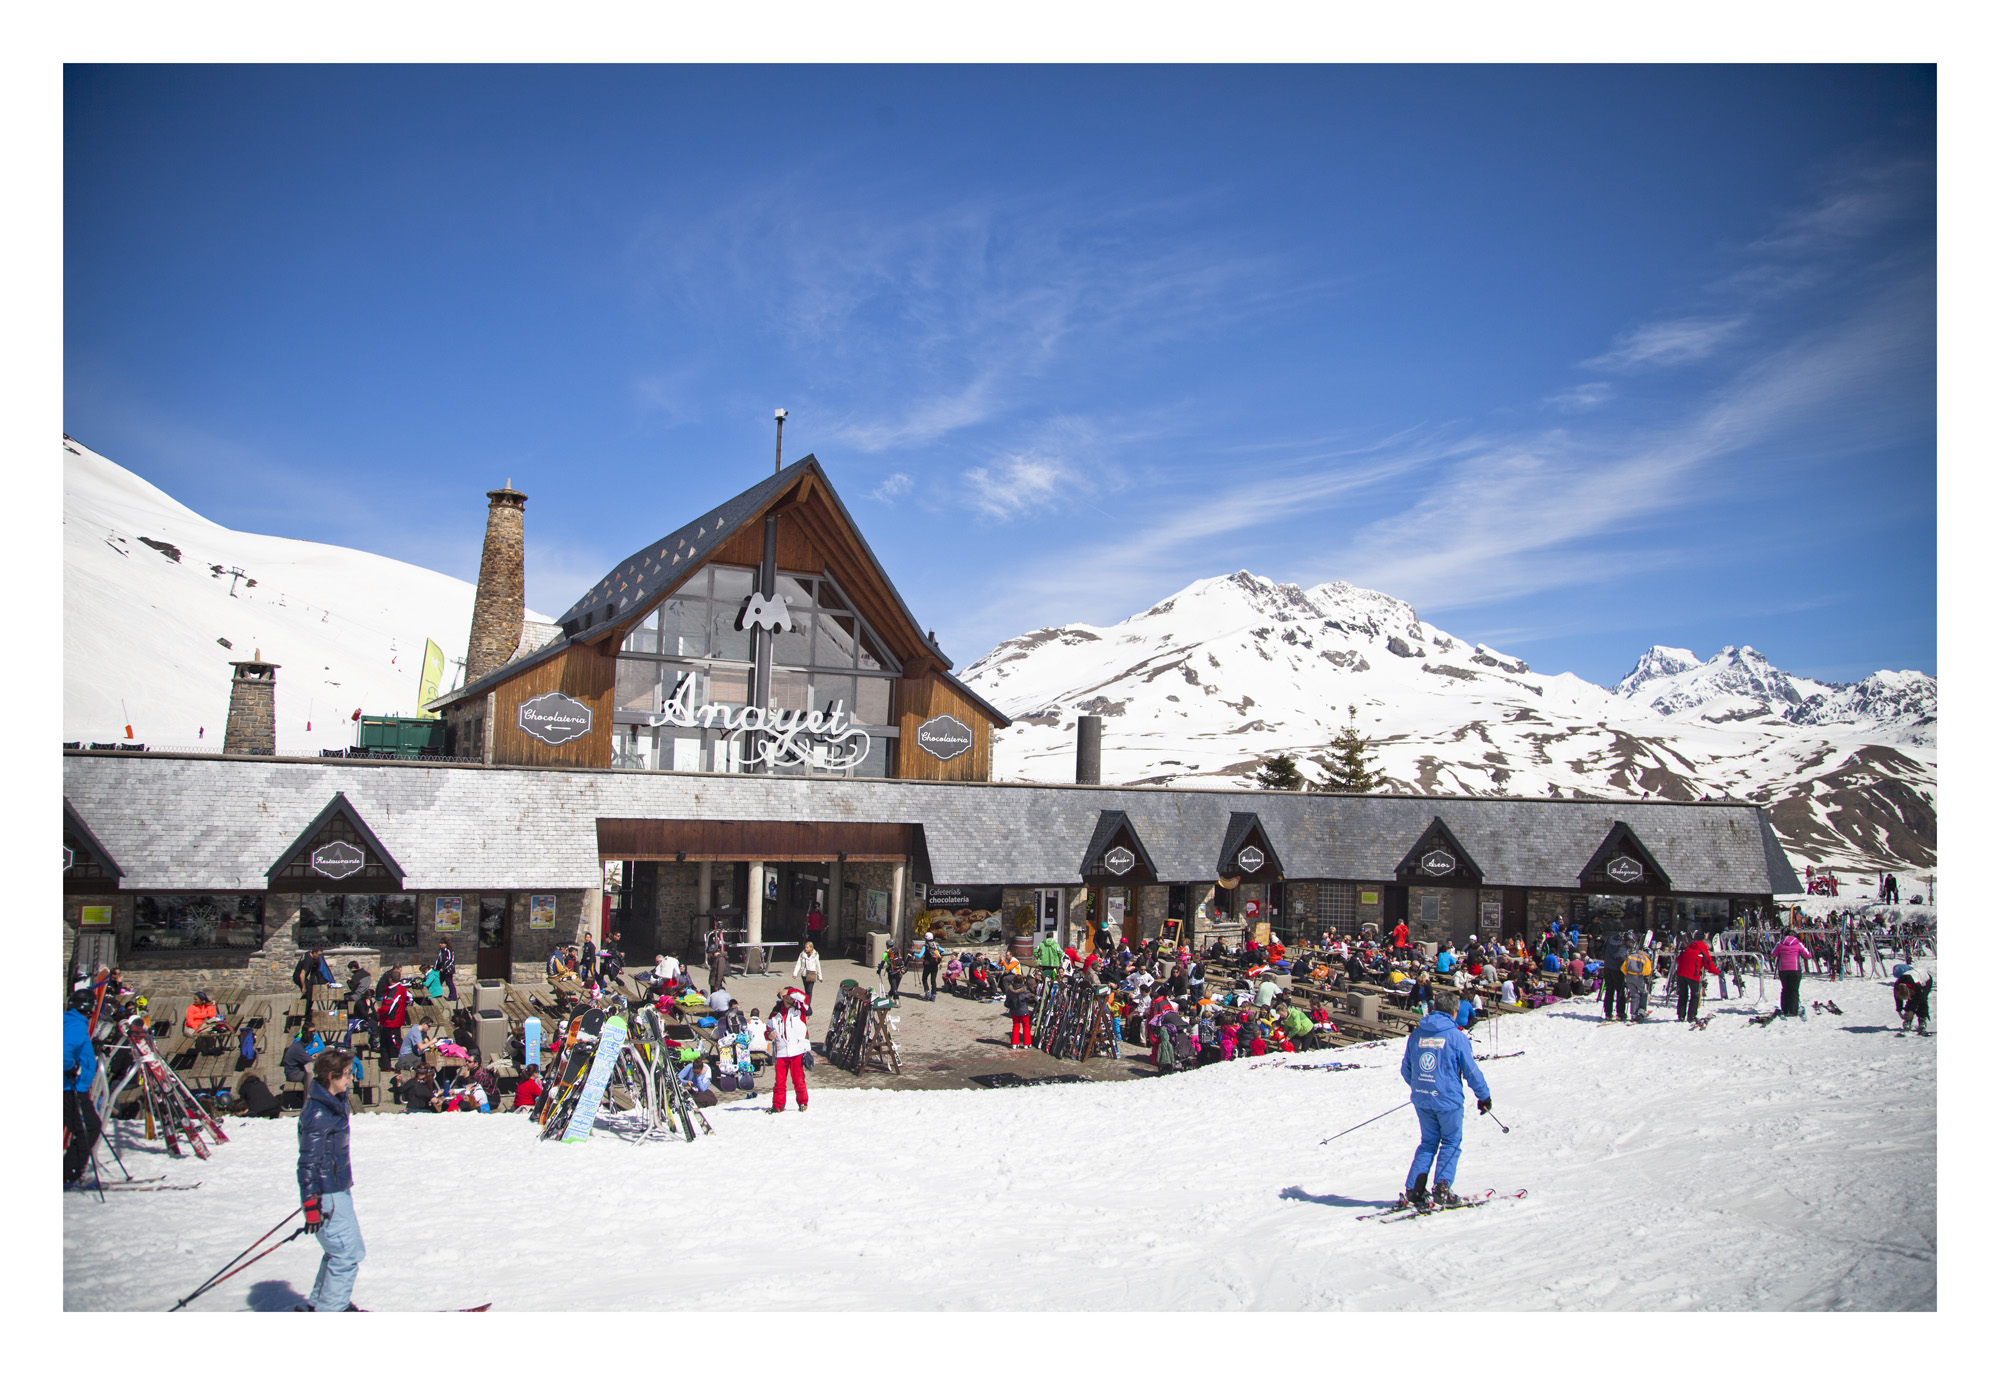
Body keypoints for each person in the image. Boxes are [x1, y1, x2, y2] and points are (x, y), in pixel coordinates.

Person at [1398, 988, 1493, 1213]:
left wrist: (1421, 1087)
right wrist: (1484, 1096)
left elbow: (1406, 1069)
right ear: (1453, 1011)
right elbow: (1471, 1071)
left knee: (1428, 1142)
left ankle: (1415, 1189)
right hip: (1447, 1101)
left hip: (1423, 1098)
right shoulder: (1456, 1036)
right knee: (1450, 1141)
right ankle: (1441, 1188)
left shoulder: (1418, 1033)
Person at [297, 1049, 365, 1312]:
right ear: (331, 1076)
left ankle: (321, 1303)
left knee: (338, 1251)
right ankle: (331, 1310)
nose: (351, 1078)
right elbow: (307, 1163)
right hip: (328, 1194)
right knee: (348, 1253)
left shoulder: (331, 1101)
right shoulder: (318, 1113)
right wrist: (311, 1204)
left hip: (335, 1188)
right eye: (347, 1074)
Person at [64, 989, 102, 1188]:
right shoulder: (76, 1026)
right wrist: (70, 1067)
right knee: (89, 1128)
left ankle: (68, 1172)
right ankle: (68, 1174)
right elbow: (63, 1052)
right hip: (71, 1088)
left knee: (86, 1127)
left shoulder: (68, 1021)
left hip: (73, 1088)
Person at [767, 995, 810, 1113]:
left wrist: (790, 992)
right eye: (788, 998)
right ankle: (778, 1105)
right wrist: (769, 1035)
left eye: (792, 998)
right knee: (780, 1082)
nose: (790, 1000)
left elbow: (805, 997)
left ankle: (803, 1102)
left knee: (798, 1079)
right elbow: (767, 1029)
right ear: (783, 998)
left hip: (796, 1051)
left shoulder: (800, 1011)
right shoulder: (775, 1013)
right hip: (781, 1052)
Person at [1675, 937, 1720, 1021]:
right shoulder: (1703, 951)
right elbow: (1709, 965)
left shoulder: (1688, 948)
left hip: (1681, 974)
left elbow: (1678, 960)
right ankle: (1691, 1016)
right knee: (1695, 995)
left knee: (1682, 995)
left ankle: (1681, 1016)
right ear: (1707, 946)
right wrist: (1718, 972)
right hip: (1693, 975)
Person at [1772, 930, 1808, 1018]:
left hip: (1783, 969)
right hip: (1795, 969)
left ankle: (1785, 1009)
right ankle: (1793, 1010)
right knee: (1794, 990)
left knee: (1785, 989)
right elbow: (1808, 955)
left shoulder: (1780, 944)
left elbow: (1773, 954)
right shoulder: (1798, 944)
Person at [1597, 929, 1630, 1022]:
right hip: (1617, 970)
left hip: (1608, 968)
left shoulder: (1610, 940)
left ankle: (1608, 1012)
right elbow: (1621, 957)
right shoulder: (1622, 945)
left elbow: (1603, 949)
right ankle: (1620, 1013)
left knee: (1609, 990)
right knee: (1620, 992)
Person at [1621, 939, 1654, 1021]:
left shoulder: (1631, 956)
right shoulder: (1646, 958)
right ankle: (1641, 1010)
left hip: (1629, 976)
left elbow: (1622, 968)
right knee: (1644, 992)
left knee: (1634, 995)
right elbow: (1647, 971)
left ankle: (1633, 1014)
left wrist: (1627, 974)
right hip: (1638, 977)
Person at [1004, 975, 1036, 1049]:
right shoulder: (1024, 989)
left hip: (1014, 1010)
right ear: (1022, 981)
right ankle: (1027, 1043)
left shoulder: (1010, 989)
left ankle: (1014, 1043)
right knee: (1026, 1026)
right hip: (1023, 1011)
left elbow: (1007, 1001)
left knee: (1015, 1026)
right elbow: (1027, 997)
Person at [793, 941, 822, 1015]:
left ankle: (807, 1007)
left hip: (811, 974)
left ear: (811, 948)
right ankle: (807, 1005)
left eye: (807, 947)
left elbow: (817, 965)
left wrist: (819, 976)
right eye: (805, 947)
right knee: (806, 990)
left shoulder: (815, 955)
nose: (806, 949)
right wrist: (795, 973)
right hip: (804, 974)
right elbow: (798, 964)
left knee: (809, 991)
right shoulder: (802, 954)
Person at [433, 938, 458, 1004]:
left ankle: (453, 996)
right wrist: (435, 968)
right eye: (440, 943)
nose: (440, 944)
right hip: (441, 970)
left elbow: (450, 960)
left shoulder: (448, 951)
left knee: (449, 982)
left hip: (448, 970)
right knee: (439, 982)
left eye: (442, 943)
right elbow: (438, 960)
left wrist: (444, 968)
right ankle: (436, 994)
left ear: (446, 944)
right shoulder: (441, 951)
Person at [705, 923, 728, 991]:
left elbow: (719, 973)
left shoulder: (720, 959)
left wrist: (717, 985)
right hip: (713, 982)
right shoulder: (715, 959)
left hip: (716, 983)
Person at [920, 936, 943, 1000]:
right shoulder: (936, 945)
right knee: (933, 980)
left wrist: (913, 954)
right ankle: (933, 995)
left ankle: (927, 993)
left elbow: (919, 956)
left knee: (924, 979)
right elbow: (943, 951)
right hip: (935, 965)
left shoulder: (926, 946)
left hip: (927, 965)